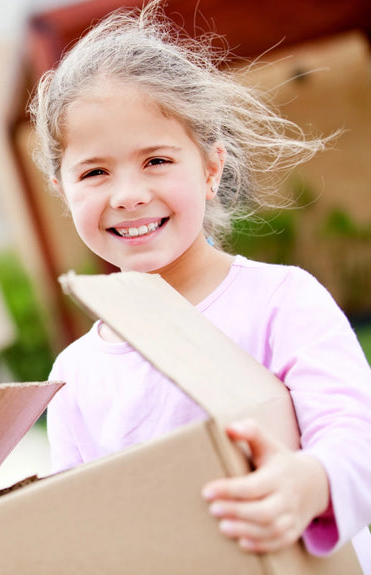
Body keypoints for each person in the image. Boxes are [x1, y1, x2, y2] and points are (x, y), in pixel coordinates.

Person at [30, 1, 371, 570]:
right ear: (63, 191)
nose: (128, 193)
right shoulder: (73, 377)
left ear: (211, 169)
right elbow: (83, 526)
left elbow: (356, 431)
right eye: (94, 172)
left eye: (157, 160)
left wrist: (308, 485)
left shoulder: (280, 301)